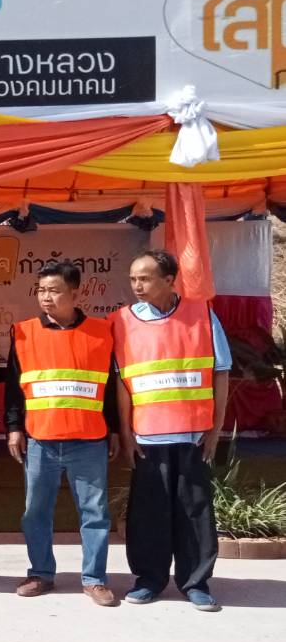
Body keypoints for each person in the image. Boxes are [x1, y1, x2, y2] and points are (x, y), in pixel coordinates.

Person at [111, 249, 232, 611]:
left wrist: (216, 429)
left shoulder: (202, 314)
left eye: (145, 278)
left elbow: (221, 372)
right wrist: (126, 434)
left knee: (195, 512)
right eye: (133, 279)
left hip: (193, 436)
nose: (137, 286)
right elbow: (122, 384)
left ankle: (196, 582)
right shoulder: (122, 321)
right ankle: (149, 580)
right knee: (148, 513)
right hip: (147, 437)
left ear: (168, 280)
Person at [6, 261, 121, 607]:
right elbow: (14, 388)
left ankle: (94, 579)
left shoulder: (102, 332)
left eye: (54, 290)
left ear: (75, 292)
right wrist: (13, 428)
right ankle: (40, 573)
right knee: (35, 513)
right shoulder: (23, 332)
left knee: (95, 513)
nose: (46, 297)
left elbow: (111, 388)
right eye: (41, 290)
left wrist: (115, 429)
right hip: (40, 440)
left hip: (89, 441)